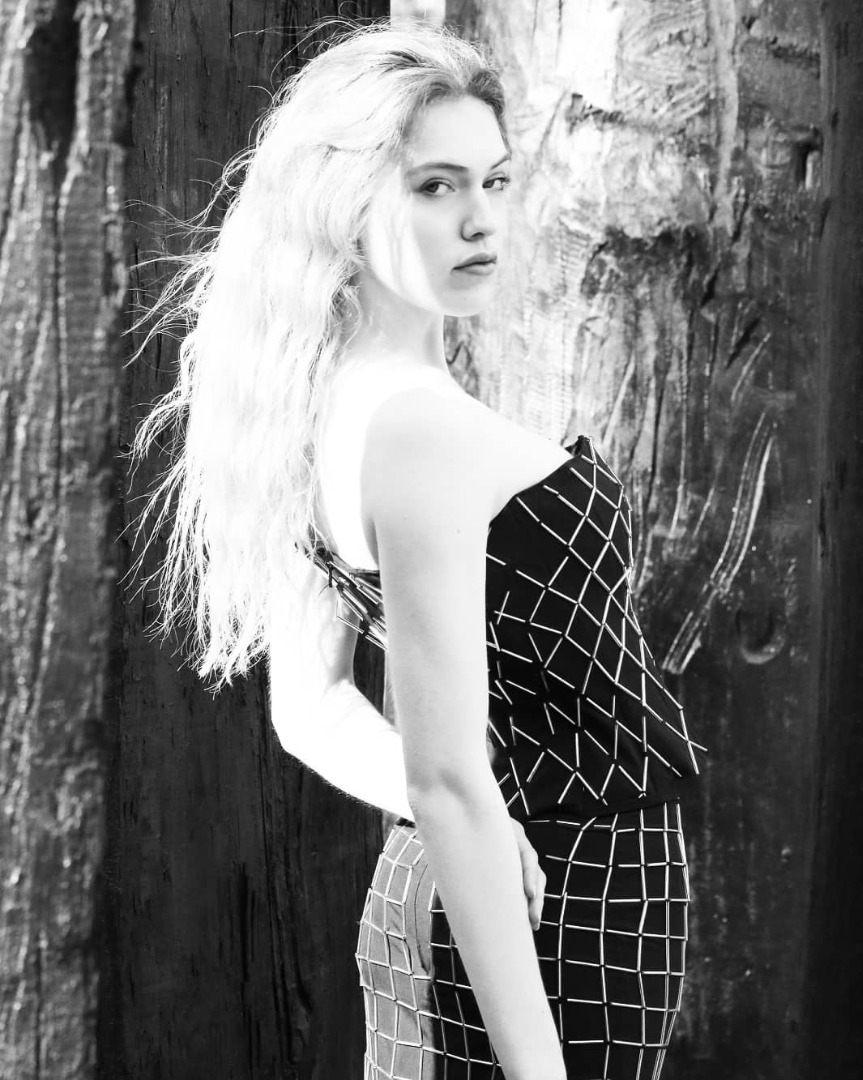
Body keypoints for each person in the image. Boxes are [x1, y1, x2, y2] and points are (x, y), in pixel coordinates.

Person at [125, 19, 707, 1080]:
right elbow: (444, 778)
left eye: (493, 180)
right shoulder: (418, 432)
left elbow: (314, 713)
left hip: (474, 884)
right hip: (563, 910)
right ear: (345, 203)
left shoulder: (315, 410)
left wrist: (464, 829)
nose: (480, 219)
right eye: (435, 186)